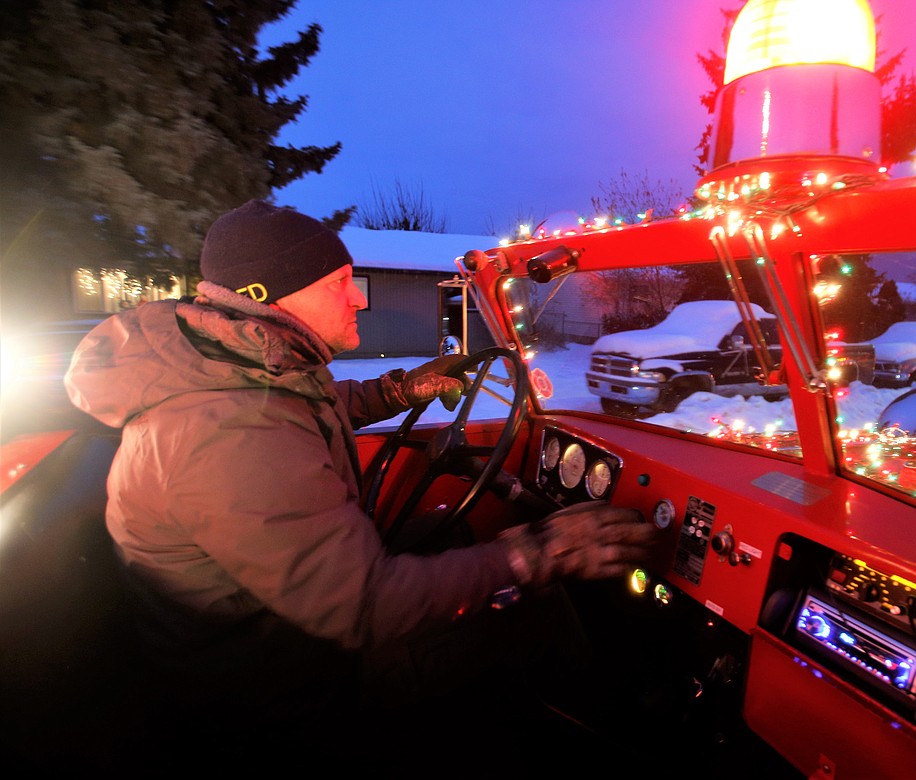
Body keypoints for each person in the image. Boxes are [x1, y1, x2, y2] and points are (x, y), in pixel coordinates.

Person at [64, 199, 656, 767]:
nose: (359, 299)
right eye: (339, 283)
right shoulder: (228, 434)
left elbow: (307, 409)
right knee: (534, 608)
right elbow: (367, 608)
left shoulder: (244, 370)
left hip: (271, 630)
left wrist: (401, 390)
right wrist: (538, 555)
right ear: (269, 297)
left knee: (439, 535)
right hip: (282, 685)